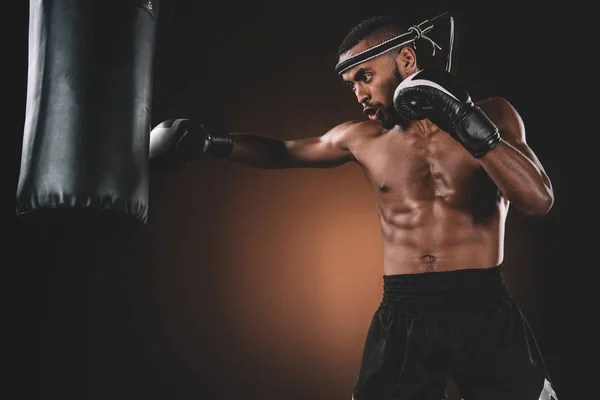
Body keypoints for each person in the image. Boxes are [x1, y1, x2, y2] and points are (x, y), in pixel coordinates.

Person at [149, 15, 558, 400]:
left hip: (481, 306)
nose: (359, 94)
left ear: (407, 59)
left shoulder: (495, 114)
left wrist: (466, 121)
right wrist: (209, 142)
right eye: (351, 84)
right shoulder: (360, 139)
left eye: (365, 76)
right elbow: (285, 151)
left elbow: (537, 200)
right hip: (404, 311)